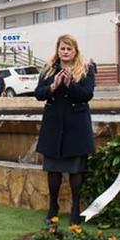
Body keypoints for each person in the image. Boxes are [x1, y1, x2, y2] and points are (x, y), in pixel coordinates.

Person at [34, 34, 96, 226]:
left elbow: (87, 95)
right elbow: (38, 94)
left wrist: (70, 85)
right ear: (57, 50)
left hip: (76, 126)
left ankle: (75, 208)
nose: (66, 52)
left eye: (69, 48)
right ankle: (53, 207)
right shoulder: (48, 69)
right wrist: (53, 86)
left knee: (75, 171)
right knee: (53, 171)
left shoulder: (86, 69)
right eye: (62, 48)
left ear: (75, 51)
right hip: (53, 126)